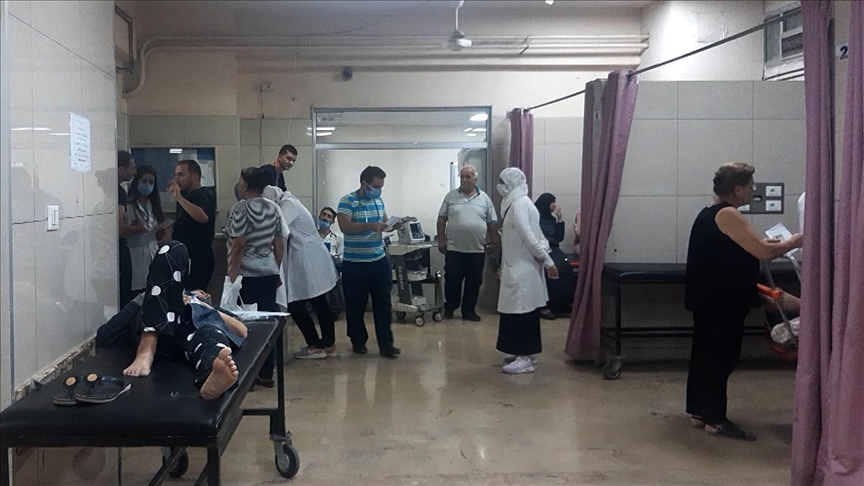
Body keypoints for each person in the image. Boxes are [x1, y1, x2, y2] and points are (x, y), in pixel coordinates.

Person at [685, 162, 803, 440]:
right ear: (738, 189)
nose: (753, 190)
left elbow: (749, 245)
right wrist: (796, 241)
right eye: (750, 186)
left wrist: (773, 244)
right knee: (721, 357)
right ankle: (715, 419)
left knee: (705, 355)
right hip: (723, 301)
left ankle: (700, 412)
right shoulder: (728, 214)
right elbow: (762, 252)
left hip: (709, 298)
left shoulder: (710, 212)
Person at [97, 241, 246, 400]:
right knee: (175, 249)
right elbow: (106, 336)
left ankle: (212, 373)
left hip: (191, 340)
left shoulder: (206, 307)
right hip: (161, 336)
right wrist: (154, 295)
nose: (205, 294)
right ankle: (147, 347)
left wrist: (205, 306)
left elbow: (241, 331)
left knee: (210, 335)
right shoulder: (154, 299)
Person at [262, 187, 340, 360]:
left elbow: (278, 230)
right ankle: (328, 344)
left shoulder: (288, 205)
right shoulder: (291, 202)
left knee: (297, 304)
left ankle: (317, 345)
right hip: (309, 258)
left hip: (308, 259)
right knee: (318, 302)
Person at [495, 168, 558, 374]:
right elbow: (538, 236)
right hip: (518, 265)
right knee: (518, 311)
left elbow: (531, 237)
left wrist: (548, 262)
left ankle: (524, 358)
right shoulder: (519, 203)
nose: (500, 186)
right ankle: (524, 352)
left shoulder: (520, 205)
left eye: (503, 181)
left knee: (522, 311)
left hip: (521, 268)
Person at [227, 167, 285, 386]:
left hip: (247, 275)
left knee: (246, 325)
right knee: (267, 322)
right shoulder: (274, 208)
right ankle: (267, 373)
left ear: (245, 185)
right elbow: (279, 243)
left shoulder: (240, 208)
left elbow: (239, 244)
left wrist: (232, 275)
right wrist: (276, 269)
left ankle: (248, 376)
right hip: (269, 272)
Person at [337, 166, 402, 358]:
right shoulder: (347, 201)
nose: (379, 190)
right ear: (364, 184)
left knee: (383, 304)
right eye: (376, 186)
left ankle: (386, 344)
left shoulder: (378, 200)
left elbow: (383, 223)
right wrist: (369, 226)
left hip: (378, 260)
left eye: (381, 186)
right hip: (354, 263)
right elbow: (345, 227)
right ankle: (358, 341)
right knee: (355, 305)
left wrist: (392, 225)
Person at [436, 165, 499, 321]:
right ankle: (450, 307)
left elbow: (492, 223)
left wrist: (494, 242)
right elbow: (442, 219)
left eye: (468, 177)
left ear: (475, 179)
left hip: (477, 250)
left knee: (474, 282)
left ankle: (468, 311)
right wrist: (441, 240)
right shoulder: (450, 196)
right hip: (454, 249)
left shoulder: (484, 199)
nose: (464, 180)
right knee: (452, 280)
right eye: (462, 177)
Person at [169, 159, 216, 292]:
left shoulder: (202, 195)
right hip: (184, 255)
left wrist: (179, 198)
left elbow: (202, 217)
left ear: (195, 176)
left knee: (194, 294)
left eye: (181, 175)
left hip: (198, 257)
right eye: (176, 175)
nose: (176, 179)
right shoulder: (185, 195)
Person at [534, 193, 577, 320]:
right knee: (551, 269)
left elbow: (559, 237)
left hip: (554, 248)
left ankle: (562, 304)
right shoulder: (536, 218)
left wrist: (560, 220)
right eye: (552, 202)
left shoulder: (551, 219)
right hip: (542, 249)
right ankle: (547, 305)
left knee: (566, 268)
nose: (555, 205)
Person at [125, 165, 166, 296]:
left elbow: (155, 233)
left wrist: (159, 234)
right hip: (134, 255)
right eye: (144, 181)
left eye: (151, 182)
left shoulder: (153, 205)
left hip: (152, 253)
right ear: (136, 181)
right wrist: (135, 229)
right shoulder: (128, 205)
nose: (148, 185)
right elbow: (122, 231)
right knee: (135, 294)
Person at [117, 151, 139, 307]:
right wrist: (137, 228)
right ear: (120, 170)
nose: (134, 172)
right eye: (132, 168)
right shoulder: (118, 192)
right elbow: (118, 229)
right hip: (116, 249)